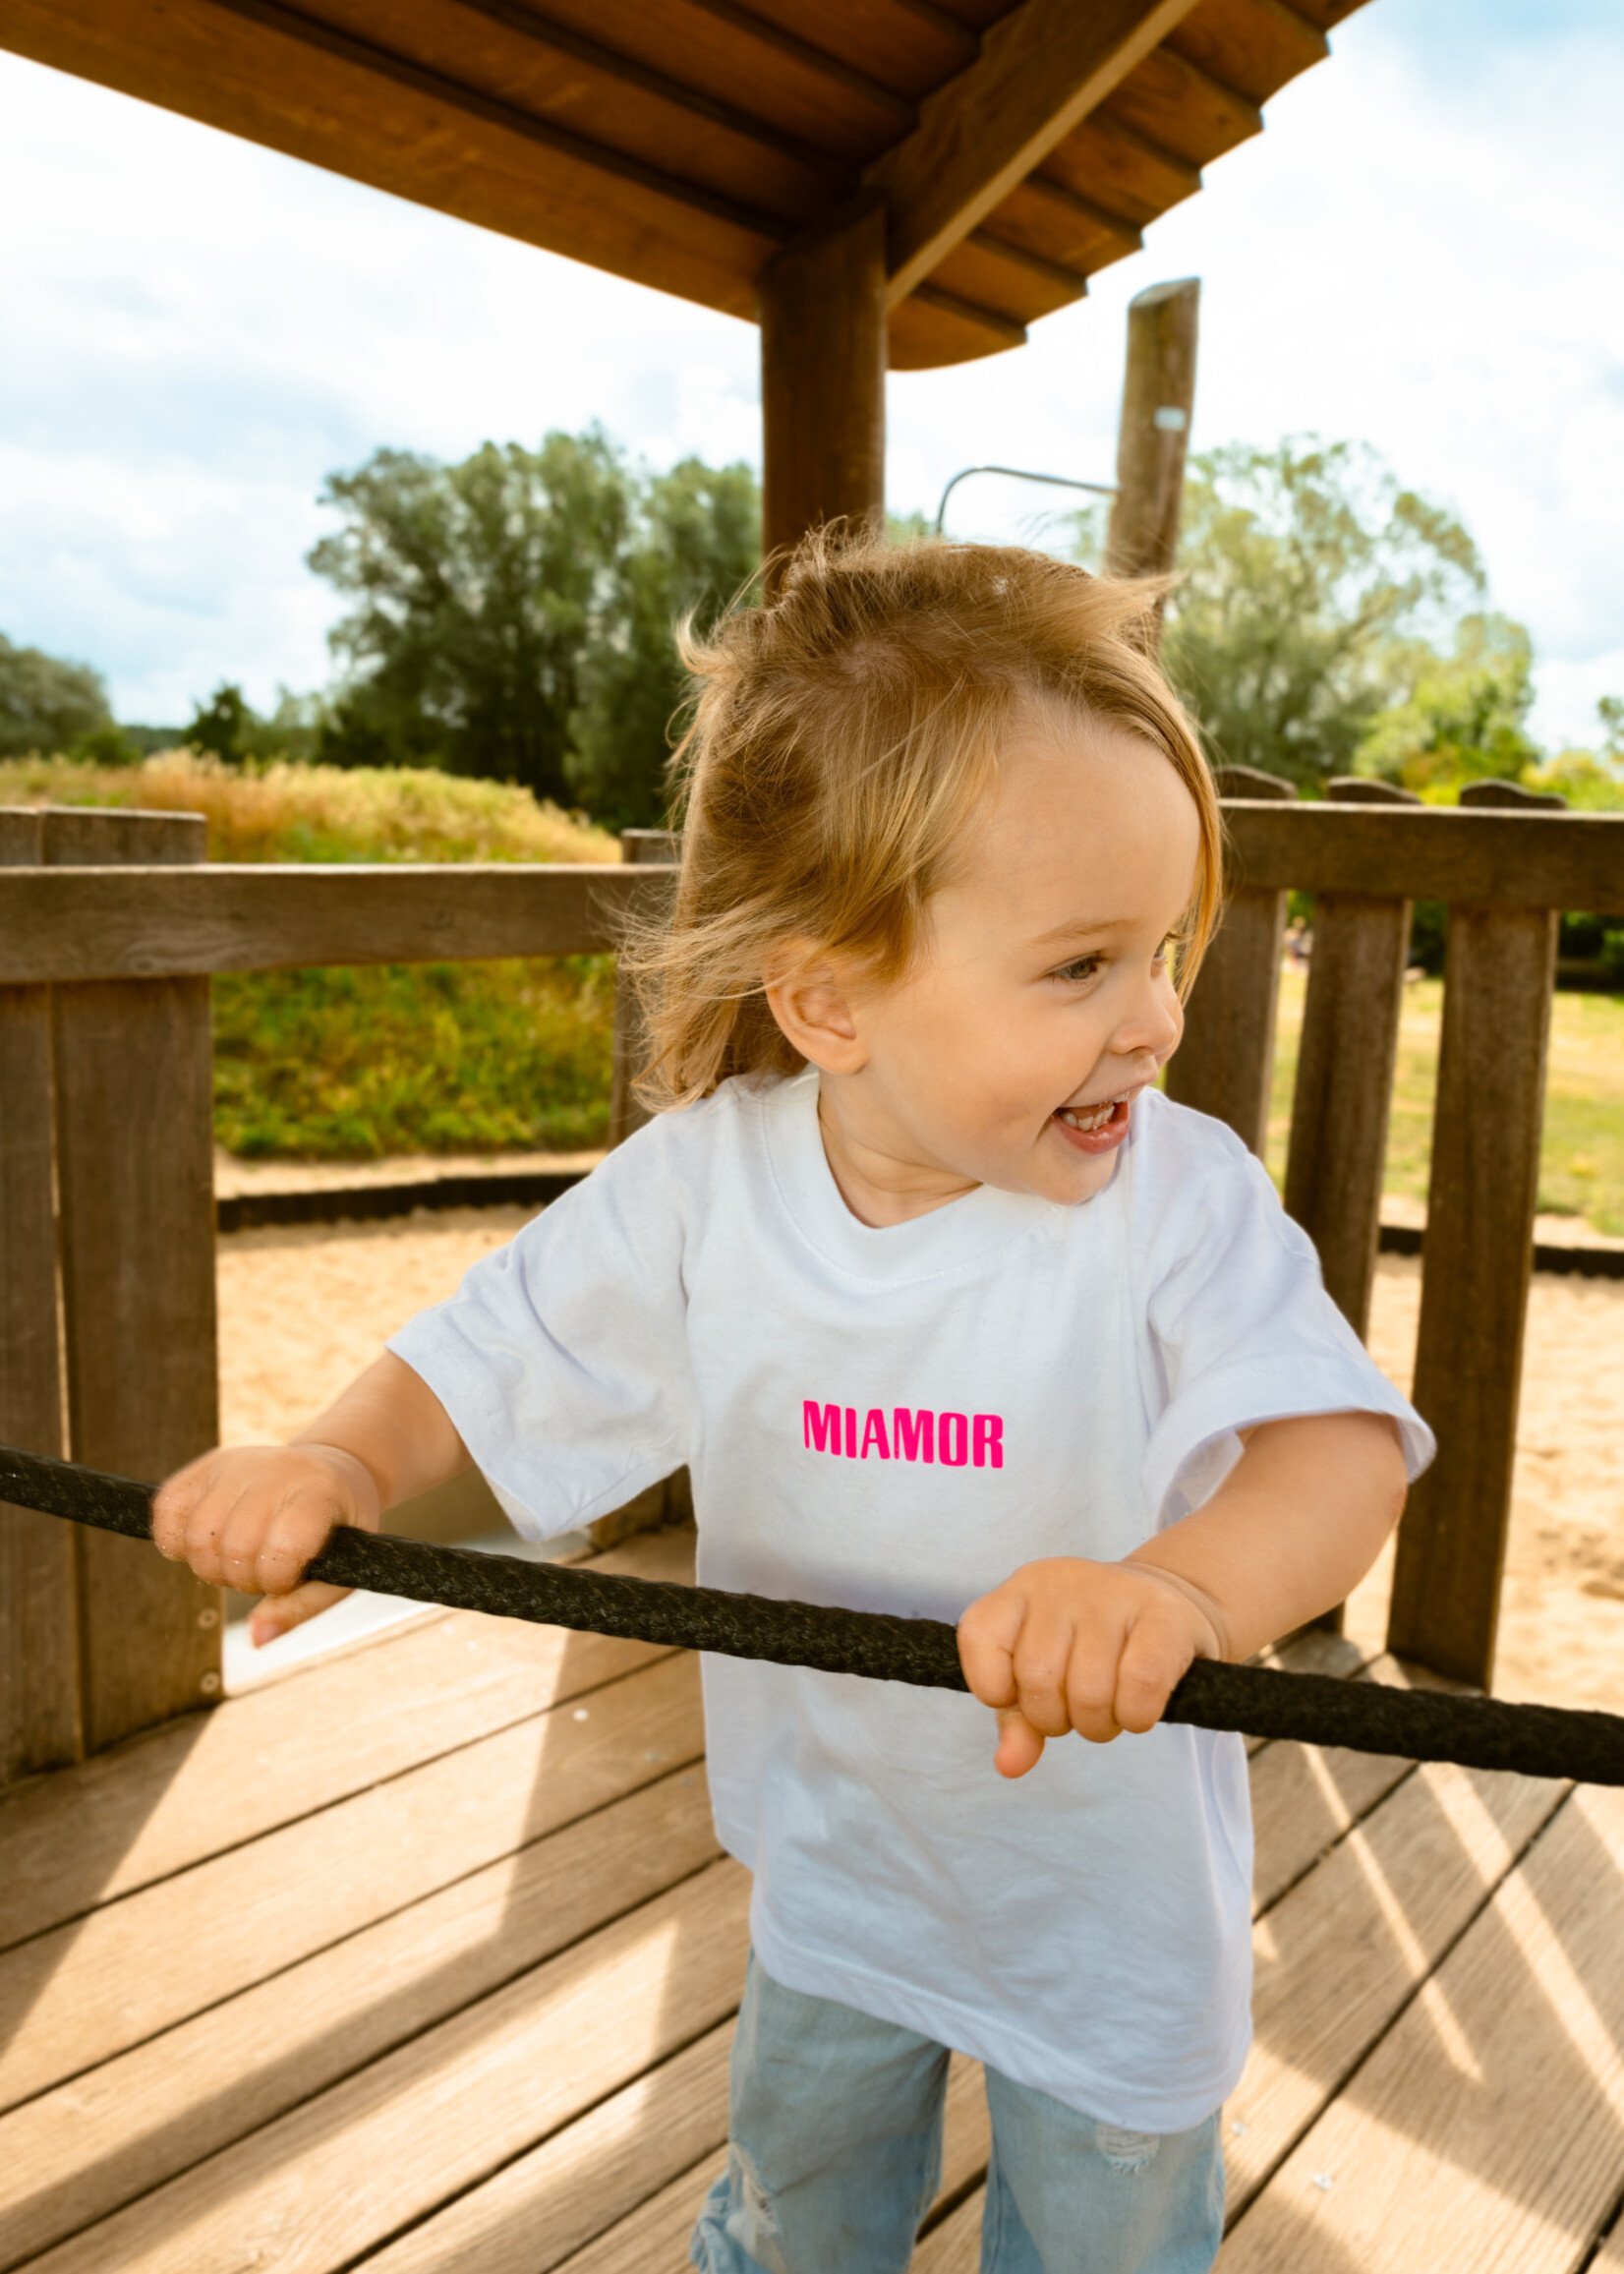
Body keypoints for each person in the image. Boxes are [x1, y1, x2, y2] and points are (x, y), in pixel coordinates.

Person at [151, 534, 1433, 2274]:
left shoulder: (1174, 1201)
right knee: (800, 2213)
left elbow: (1338, 1448)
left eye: (1165, 948)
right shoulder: (705, 1192)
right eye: (1081, 967)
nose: (1156, 1020)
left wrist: (1183, 1590)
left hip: (1104, 1912)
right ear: (830, 995)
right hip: (837, 1869)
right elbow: (490, 1365)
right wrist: (338, 1461)